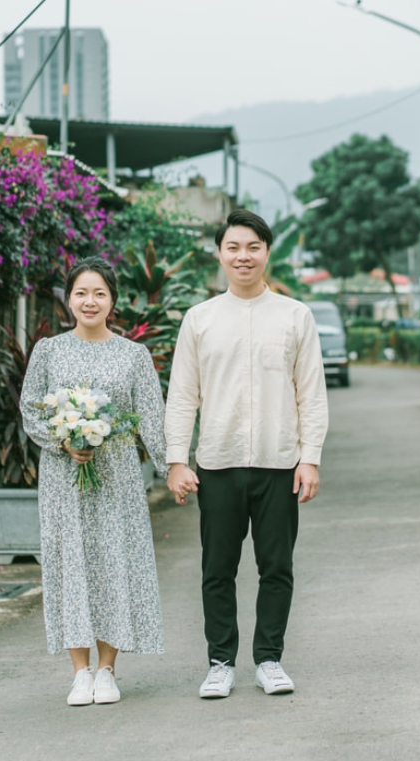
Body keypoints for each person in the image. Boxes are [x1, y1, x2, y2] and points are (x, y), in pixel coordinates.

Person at [164, 208, 329, 699]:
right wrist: (177, 459)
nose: (243, 256)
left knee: (276, 567)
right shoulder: (200, 319)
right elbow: (183, 395)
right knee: (218, 569)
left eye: (253, 247)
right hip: (217, 463)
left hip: (280, 465)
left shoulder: (295, 315)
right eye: (233, 247)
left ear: (266, 252)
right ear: (220, 254)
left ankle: (269, 659)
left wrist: (310, 457)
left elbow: (311, 394)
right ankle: (220, 662)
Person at [20, 256, 168, 707]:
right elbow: (31, 409)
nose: (89, 301)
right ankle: (79, 672)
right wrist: (62, 440)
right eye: (81, 293)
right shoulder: (48, 351)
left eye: (99, 293)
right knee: (70, 566)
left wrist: (174, 469)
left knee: (113, 563)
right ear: (69, 299)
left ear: (112, 302)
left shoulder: (133, 355)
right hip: (64, 479)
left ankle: (107, 670)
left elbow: (152, 418)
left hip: (117, 478)